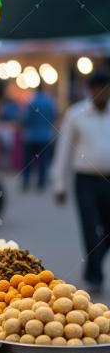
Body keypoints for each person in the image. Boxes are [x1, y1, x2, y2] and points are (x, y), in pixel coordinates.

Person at [52, 69, 110, 293]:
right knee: (89, 226)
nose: (103, 94)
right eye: (98, 90)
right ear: (90, 91)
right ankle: (94, 275)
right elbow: (64, 149)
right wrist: (59, 182)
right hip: (85, 179)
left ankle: (92, 266)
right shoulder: (76, 114)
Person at [20, 87, 56, 191]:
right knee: (43, 162)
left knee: (28, 161)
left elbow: (26, 119)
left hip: (30, 136)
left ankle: (26, 182)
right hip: (45, 137)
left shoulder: (31, 102)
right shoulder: (49, 103)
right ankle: (41, 183)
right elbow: (53, 118)